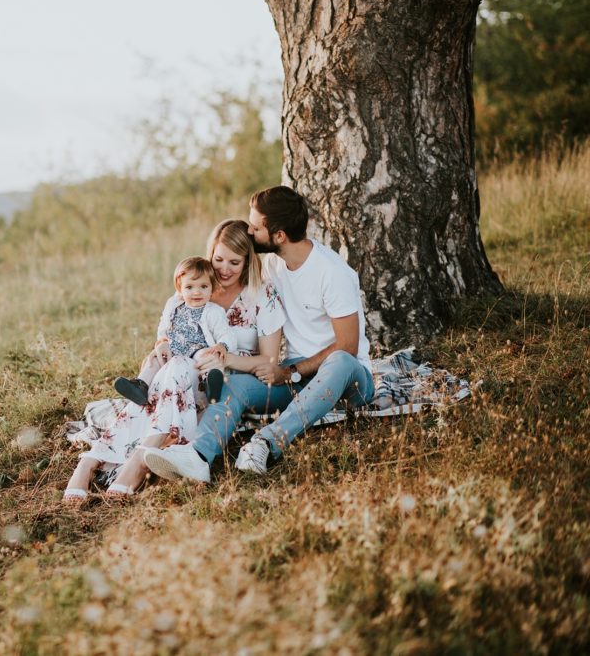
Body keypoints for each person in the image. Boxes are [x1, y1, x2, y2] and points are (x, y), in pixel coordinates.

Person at [142, 185, 375, 482]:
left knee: (340, 360)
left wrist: (288, 371)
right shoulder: (275, 264)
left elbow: (348, 347)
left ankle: (264, 442)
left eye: (255, 227)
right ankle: (198, 456)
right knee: (237, 385)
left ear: (278, 236)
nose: (250, 233)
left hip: (347, 379)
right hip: (297, 378)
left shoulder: (332, 273)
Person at [62, 219, 285, 503]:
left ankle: (108, 461)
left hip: (222, 381)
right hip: (179, 375)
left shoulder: (262, 295)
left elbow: (268, 360)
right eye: (218, 259)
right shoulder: (195, 285)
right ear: (210, 254)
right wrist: (160, 347)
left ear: (248, 261)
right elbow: (169, 332)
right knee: (168, 376)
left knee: (165, 386)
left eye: (234, 262)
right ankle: (108, 461)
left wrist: (224, 358)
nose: (224, 269)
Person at [113, 256, 235, 407]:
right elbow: (163, 327)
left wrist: (222, 345)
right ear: (180, 288)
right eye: (189, 287)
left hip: (197, 350)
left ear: (212, 288)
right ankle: (140, 386)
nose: (196, 292)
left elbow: (226, 333)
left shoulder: (214, 311)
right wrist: (162, 341)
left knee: (207, 357)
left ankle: (210, 385)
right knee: (154, 361)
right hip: (173, 349)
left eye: (203, 286)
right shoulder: (174, 305)